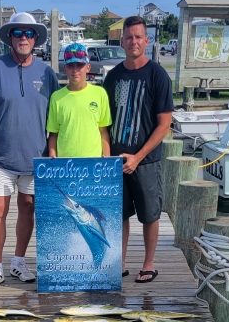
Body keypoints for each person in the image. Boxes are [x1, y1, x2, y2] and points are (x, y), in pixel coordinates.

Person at [0, 12, 59, 290]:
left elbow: (56, 117)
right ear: (10, 37)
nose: (24, 38)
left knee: (28, 208)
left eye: (30, 33)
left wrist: (54, 152)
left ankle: (19, 261)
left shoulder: (46, 72)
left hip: (36, 158)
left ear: (36, 39)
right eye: (19, 33)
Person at [103, 15, 174, 284]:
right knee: (119, 213)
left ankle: (148, 263)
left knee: (149, 214)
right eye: (129, 37)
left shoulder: (157, 75)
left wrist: (138, 156)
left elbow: (164, 123)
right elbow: (104, 122)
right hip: (116, 160)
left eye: (138, 36)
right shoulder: (113, 77)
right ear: (122, 41)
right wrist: (108, 154)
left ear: (146, 40)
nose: (133, 41)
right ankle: (120, 262)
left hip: (145, 160)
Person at [47, 43, 111, 159]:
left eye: (79, 65)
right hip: (66, 167)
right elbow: (53, 134)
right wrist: (52, 157)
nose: (75, 70)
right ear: (65, 69)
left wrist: (106, 160)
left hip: (93, 165)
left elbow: (103, 131)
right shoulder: (56, 97)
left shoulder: (100, 93)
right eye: (70, 66)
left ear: (88, 67)